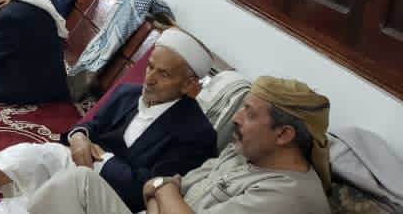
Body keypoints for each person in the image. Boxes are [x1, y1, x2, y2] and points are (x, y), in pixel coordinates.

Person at [0, 28, 218, 214]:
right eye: (150, 67)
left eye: (164, 74)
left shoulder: (195, 133)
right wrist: (80, 136)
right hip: (85, 163)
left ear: (189, 85)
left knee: (26, 206)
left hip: (114, 198)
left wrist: (103, 160)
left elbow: (149, 189)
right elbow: (88, 126)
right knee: (28, 154)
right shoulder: (128, 93)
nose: (149, 79)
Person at [24, 77, 332, 214]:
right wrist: (162, 191)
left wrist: (162, 190)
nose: (236, 118)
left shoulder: (289, 196)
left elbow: (162, 186)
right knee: (79, 180)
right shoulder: (244, 153)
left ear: (283, 134)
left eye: (249, 113)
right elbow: (162, 186)